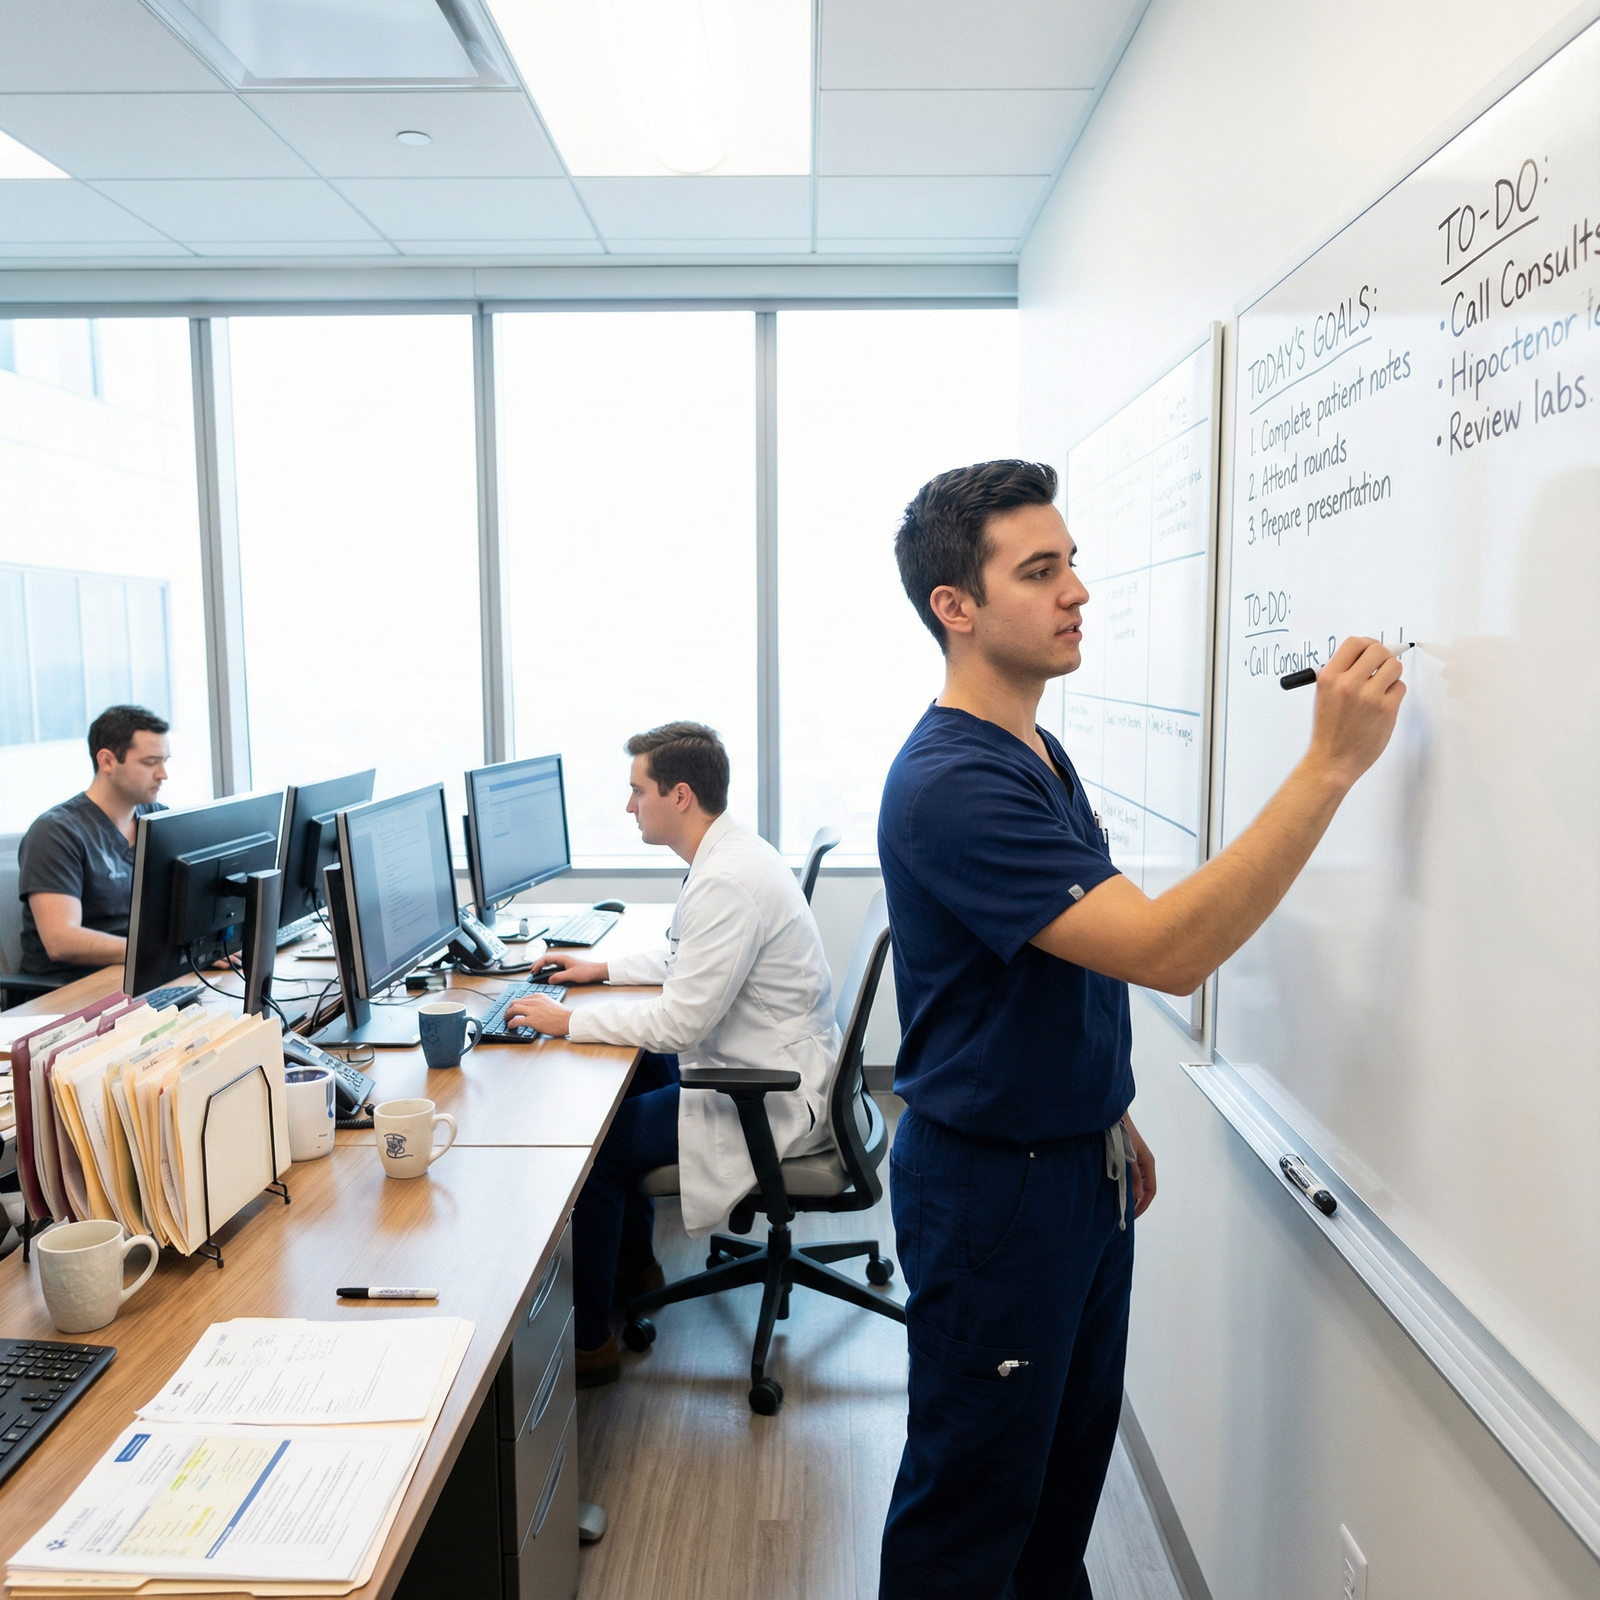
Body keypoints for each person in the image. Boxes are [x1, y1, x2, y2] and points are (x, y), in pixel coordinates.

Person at [876, 459, 1405, 1599]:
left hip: (1071, 1164)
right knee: (971, 1515)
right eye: (1040, 571)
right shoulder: (953, 784)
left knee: (1056, 1495)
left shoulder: (1034, 749)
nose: (1077, 591)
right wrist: (1330, 766)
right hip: (993, 1195)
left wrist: (1101, 1113)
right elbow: (1165, 948)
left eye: (1071, 562)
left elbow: (1056, 966)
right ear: (954, 606)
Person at [504, 721, 839, 1388]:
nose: (629, 805)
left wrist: (568, 1023)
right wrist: (600, 969)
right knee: (631, 1085)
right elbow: (687, 959)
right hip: (760, 1061)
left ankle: (592, 1343)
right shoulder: (729, 855)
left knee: (596, 1151)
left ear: (679, 795)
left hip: (764, 1091)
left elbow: (681, 1020)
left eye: (638, 791)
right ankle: (638, 1271)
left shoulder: (726, 880)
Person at [18, 705, 172, 984]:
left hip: (140, 972)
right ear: (107, 761)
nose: (163, 774)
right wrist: (159, 952)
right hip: (71, 988)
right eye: (150, 763)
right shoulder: (56, 832)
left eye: (164, 761)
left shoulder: (160, 820)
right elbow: (61, 940)